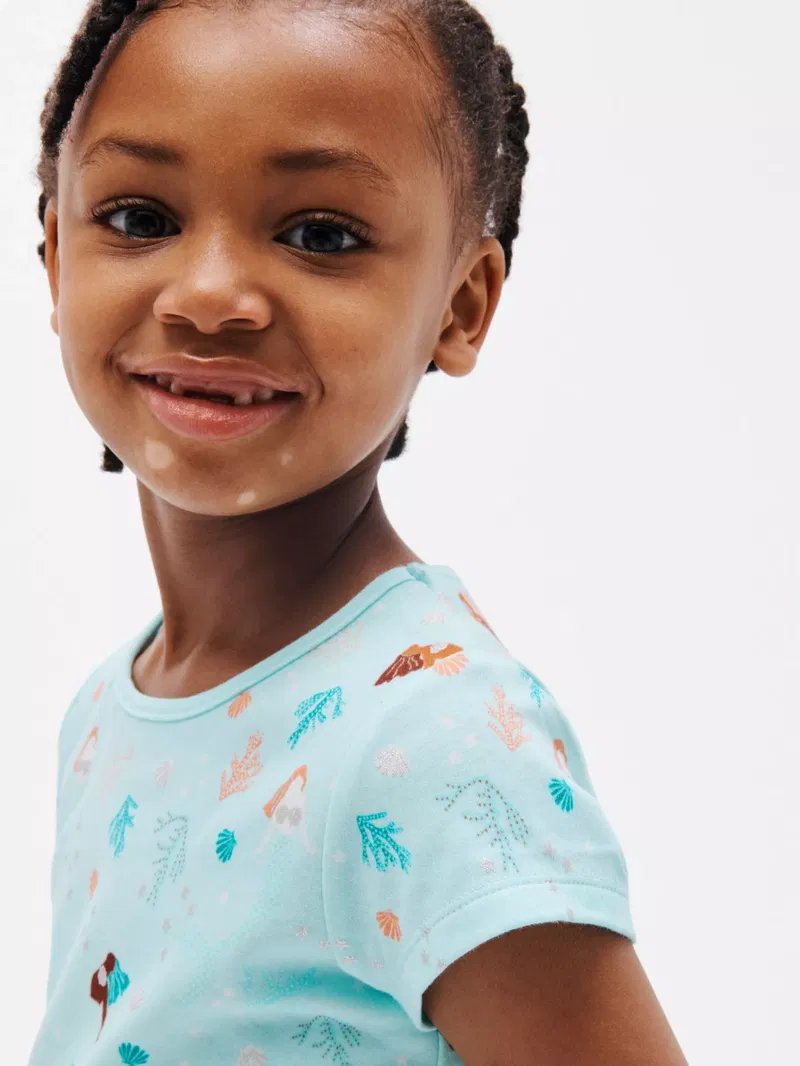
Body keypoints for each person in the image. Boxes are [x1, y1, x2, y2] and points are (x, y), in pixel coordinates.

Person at [28, 1, 689, 1064]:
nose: (209, 296)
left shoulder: (432, 739)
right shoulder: (109, 709)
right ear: (57, 257)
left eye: (320, 235)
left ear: (461, 306)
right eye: (141, 217)